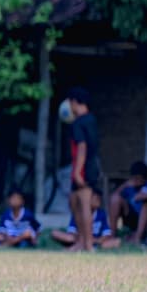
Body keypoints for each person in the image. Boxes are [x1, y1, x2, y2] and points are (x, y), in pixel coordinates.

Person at [65, 87, 101, 252]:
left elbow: (82, 147)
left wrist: (78, 172)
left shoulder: (79, 122)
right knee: (74, 201)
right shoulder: (91, 119)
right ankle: (81, 241)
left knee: (84, 204)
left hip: (84, 167)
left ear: (74, 102)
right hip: (92, 165)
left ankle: (87, 244)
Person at [52, 189, 121, 249]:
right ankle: (80, 245)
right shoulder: (78, 212)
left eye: (100, 198)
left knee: (116, 241)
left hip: (96, 241)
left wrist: (95, 240)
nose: (98, 200)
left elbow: (106, 234)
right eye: (95, 197)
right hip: (79, 239)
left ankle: (91, 246)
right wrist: (82, 239)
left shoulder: (102, 214)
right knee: (56, 233)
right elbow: (72, 231)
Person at [107, 161, 147, 235]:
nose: (136, 181)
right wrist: (124, 185)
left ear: (144, 179)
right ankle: (112, 234)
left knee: (146, 205)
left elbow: (140, 197)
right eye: (134, 178)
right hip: (130, 217)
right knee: (115, 198)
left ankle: (138, 235)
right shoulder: (128, 187)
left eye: (138, 178)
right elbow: (113, 197)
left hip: (144, 219)